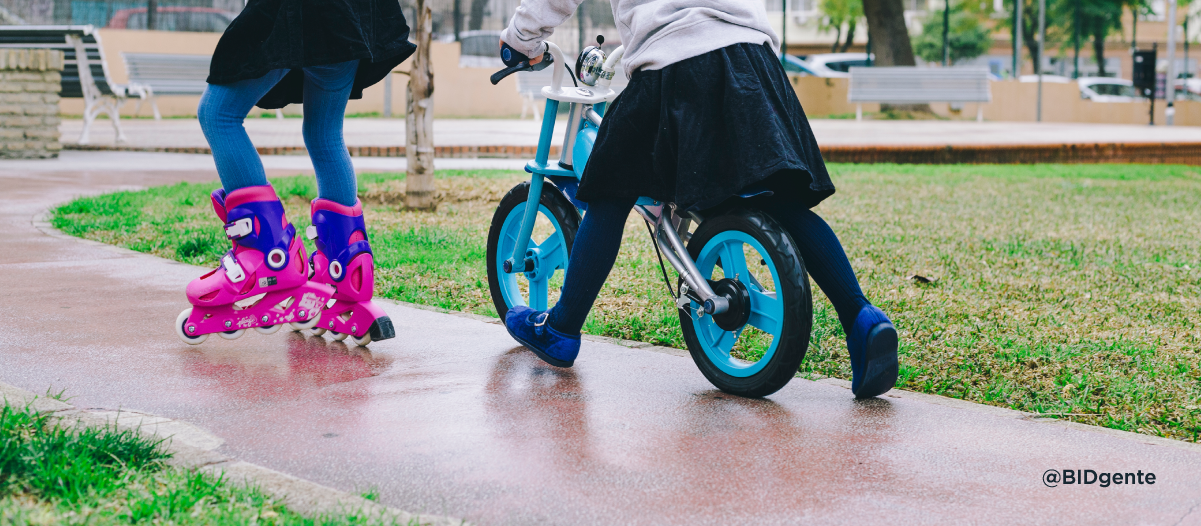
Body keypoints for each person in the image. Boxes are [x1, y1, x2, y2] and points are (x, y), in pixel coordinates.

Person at [498, 0, 899, 398]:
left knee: (608, 193)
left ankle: (560, 328)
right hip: (753, 58)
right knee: (778, 202)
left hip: (676, 57)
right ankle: (861, 317)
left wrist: (520, 38)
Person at [176, 0, 415, 345]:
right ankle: (346, 273)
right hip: (348, 17)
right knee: (324, 132)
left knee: (218, 115)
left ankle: (268, 259)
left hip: (299, 11)